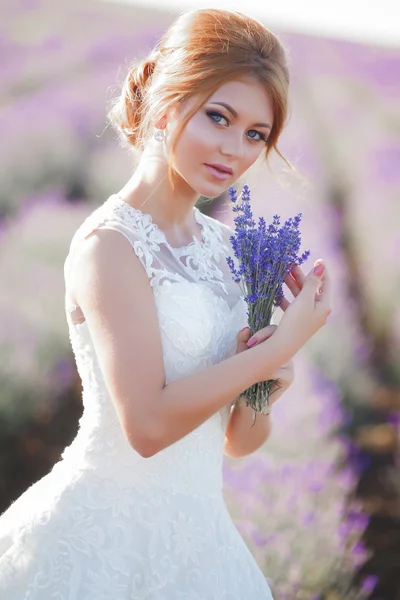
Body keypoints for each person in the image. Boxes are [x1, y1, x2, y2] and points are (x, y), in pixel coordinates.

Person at [0, 8, 331, 599]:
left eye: (256, 134)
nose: (235, 148)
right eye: (218, 117)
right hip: (100, 539)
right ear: (164, 99)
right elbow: (147, 427)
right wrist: (281, 344)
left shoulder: (233, 250)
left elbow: (237, 440)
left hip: (201, 543)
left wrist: (263, 383)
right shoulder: (109, 246)